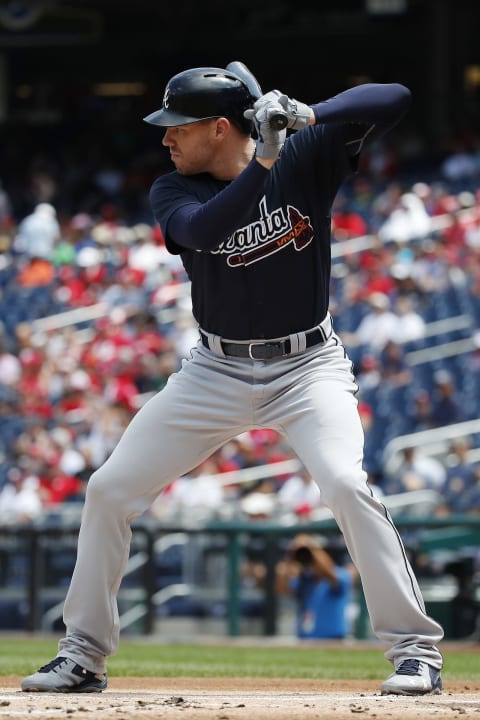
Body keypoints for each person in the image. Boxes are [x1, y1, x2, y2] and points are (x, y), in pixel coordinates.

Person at [22, 62, 443, 696]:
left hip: (307, 367)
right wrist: (262, 166)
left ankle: (415, 651)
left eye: (177, 127)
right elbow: (204, 230)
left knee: (345, 485)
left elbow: (396, 96)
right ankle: (82, 654)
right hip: (213, 371)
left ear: (220, 127)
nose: (166, 139)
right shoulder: (174, 190)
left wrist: (309, 114)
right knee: (109, 488)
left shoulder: (303, 153)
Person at [276, 533, 355, 639]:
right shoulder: (304, 579)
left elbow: (329, 572)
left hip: (333, 639)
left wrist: (312, 549)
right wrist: (290, 557)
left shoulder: (340, 574)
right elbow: (282, 589)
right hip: (305, 638)